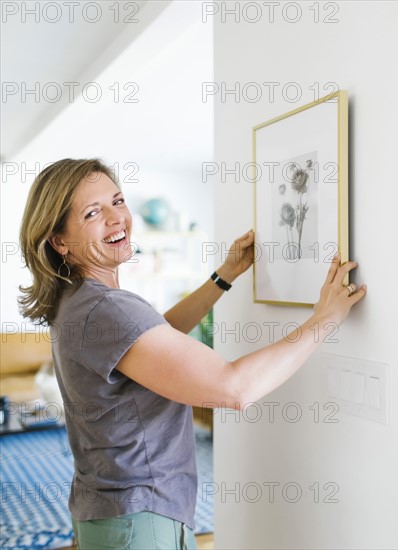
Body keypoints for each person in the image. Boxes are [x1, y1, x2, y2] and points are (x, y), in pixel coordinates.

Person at [19, 158, 366, 550]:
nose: (117, 218)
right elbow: (234, 388)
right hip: (139, 521)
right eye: (93, 212)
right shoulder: (109, 309)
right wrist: (325, 319)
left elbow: (155, 339)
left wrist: (224, 275)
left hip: (110, 513)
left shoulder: (79, 300)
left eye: (117, 200)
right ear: (59, 240)